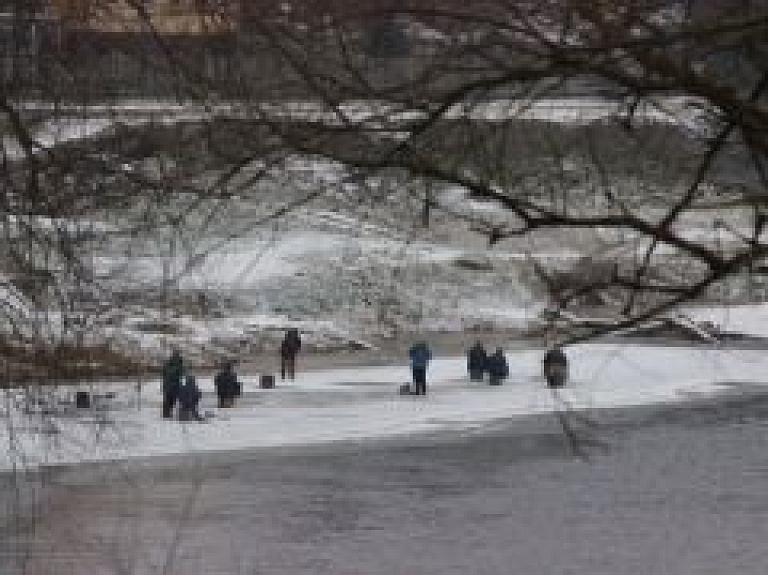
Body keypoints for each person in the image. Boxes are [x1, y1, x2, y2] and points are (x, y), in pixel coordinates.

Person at [162, 349, 183, 419]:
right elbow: (181, 373)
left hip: (168, 385)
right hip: (173, 385)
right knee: (170, 400)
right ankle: (167, 413)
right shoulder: (178, 364)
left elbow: (163, 373)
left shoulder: (169, 363)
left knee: (169, 400)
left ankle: (166, 413)